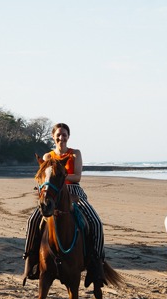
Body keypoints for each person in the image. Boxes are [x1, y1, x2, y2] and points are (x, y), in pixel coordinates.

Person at [22, 123, 106, 287]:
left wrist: (60, 178)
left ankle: (97, 264)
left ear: (68, 136)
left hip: (73, 192)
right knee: (32, 220)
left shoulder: (75, 154)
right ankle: (29, 260)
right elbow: (44, 176)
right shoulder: (48, 157)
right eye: (58, 135)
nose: (61, 137)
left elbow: (77, 177)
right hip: (53, 192)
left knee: (95, 222)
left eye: (64, 134)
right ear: (53, 136)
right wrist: (54, 182)